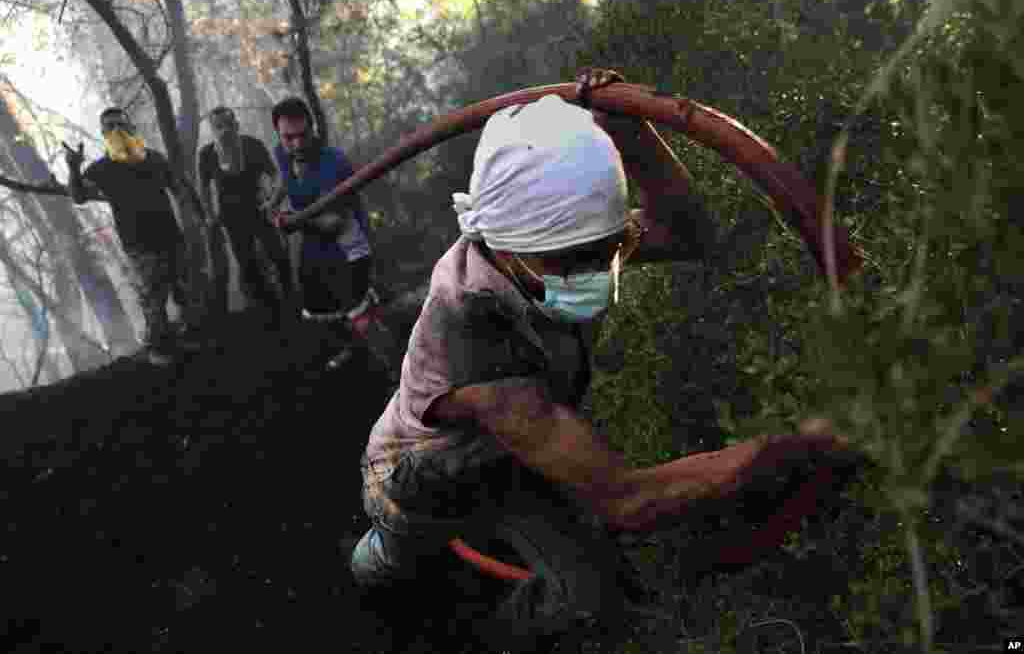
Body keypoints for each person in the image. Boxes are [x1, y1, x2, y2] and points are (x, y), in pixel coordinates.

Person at [348, 69, 850, 641]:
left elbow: (689, 234)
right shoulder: (470, 333)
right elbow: (624, 498)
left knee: (592, 601)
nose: (595, 274)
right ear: (508, 248)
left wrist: (633, 136)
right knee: (398, 557)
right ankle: (384, 566)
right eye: (572, 261)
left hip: (506, 451)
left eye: (605, 251)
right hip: (419, 473)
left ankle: (499, 620)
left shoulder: (561, 243)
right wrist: (805, 446)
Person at [64, 107, 209, 364]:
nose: (117, 130)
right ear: (103, 134)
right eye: (110, 127)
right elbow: (79, 196)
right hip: (139, 246)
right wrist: (74, 168)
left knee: (185, 291)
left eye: (121, 124)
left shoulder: (153, 158)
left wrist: (200, 219)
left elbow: (180, 187)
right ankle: (161, 352)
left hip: (171, 238)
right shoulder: (103, 168)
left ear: (132, 128)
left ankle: (193, 343)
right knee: (154, 298)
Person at [267, 97, 394, 372]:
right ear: (278, 134)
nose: (297, 144)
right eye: (289, 138)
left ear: (313, 129)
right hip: (315, 246)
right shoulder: (281, 152)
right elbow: (284, 177)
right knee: (321, 309)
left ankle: (400, 372)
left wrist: (294, 222)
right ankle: (352, 348)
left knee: (360, 315)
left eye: (303, 135)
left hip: (348, 248)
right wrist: (274, 202)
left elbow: (335, 222)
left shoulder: (332, 162)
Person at [197, 106, 293, 320]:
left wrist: (274, 199)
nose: (224, 131)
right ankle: (268, 308)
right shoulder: (206, 155)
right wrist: (209, 216)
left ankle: (290, 297)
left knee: (278, 254)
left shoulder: (252, 145)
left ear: (236, 125)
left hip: (259, 210)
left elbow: (275, 174)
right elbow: (203, 187)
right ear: (212, 130)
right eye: (218, 126)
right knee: (247, 264)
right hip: (231, 218)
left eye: (228, 125)